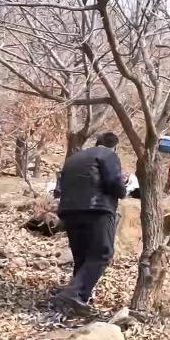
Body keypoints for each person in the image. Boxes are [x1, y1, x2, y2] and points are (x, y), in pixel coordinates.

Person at [53, 132, 128, 316]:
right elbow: (113, 183)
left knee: (82, 256)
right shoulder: (108, 155)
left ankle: (76, 301)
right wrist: (123, 186)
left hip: (68, 211)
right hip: (96, 209)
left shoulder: (74, 158)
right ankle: (74, 293)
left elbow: (59, 188)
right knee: (102, 253)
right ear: (115, 147)